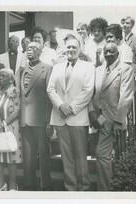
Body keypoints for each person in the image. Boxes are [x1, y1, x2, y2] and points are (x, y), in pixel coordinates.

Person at [47, 34, 94, 191]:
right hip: (61, 117)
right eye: (68, 47)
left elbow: (88, 90)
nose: (71, 50)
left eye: (74, 47)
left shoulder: (88, 67)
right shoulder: (57, 67)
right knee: (66, 157)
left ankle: (84, 188)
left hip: (78, 117)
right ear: (64, 49)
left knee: (80, 156)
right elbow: (50, 89)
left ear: (80, 49)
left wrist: (71, 108)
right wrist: (61, 106)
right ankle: (71, 188)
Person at [89, 43, 134, 191]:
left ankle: (106, 191)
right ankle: (108, 188)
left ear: (118, 53)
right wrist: (92, 113)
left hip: (113, 119)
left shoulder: (125, 69)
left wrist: (119, 122)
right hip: (98, 119)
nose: (108, 54)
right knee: (103, 155)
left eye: (111, 51)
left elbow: (126, 97)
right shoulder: (98, 70)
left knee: (104, 154)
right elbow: (92, 93)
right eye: (106, 51)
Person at [19, 42, 53, 191]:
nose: (29, 51)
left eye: (33, 49)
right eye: (27, 49)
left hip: (40, 118)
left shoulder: (47, 68)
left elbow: (49, 95)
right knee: (27, 154)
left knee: (43, 152)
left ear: (39, 52)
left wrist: (48, 120)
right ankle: (29, 183)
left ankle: (45, 184)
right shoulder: (21, 70)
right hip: (24, 118)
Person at [0, 68, 22, 191]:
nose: (1, 78)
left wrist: (3, 123)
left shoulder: (15, 91)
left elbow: (17, 110)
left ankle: (13, 185)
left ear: (11, 79)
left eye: (4, 76)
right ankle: (1, 184)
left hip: (9, 127)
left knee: (10, 156)